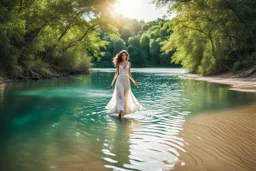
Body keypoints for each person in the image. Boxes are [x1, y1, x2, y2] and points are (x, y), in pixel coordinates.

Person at [105, 50, 143, 119]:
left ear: (127, 56)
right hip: (119, 80)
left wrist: (134, 81)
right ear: (121, 56)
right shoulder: (118, 63)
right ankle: (121, 113)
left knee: (125, 98)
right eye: (122, 55)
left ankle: (121, 114)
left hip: (126, 81)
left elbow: (129, 73)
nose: (123, 56)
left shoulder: (129, 63)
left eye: (125, 55)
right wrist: (112, 82)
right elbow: (116, 73)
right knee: (121, 98)